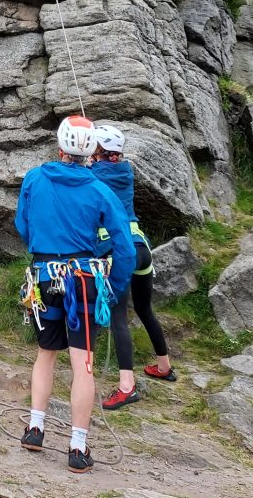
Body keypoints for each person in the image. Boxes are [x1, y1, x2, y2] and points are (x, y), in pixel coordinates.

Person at [15, 114, 136, 473]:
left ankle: (35, 429)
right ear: (90, 152)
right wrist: (112, 288)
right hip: (83, 281)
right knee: (83, 364)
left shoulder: (36, 177)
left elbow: (23, 223)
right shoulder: (100, 190)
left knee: (45, 354)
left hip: (42, 278)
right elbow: (124, 246)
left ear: (60, 146)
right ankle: (77, 448)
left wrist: (43, 246)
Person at [89, 124, 176, 411]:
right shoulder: (125, 171)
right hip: (142, 248)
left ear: (99, 151)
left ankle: (127, 387)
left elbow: (87, 179)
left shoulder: (94, 175)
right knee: (144, 308)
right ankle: (164, 366)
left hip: (119, 252)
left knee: (118, 318)